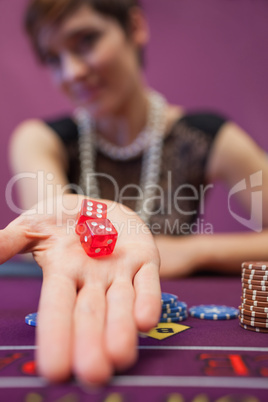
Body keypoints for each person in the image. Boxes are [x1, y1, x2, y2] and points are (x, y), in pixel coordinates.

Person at [4, 0, 268, 385]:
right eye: (54, 59)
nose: (72, 71)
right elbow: (51, 214)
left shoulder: (208, 136)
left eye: (85, 41)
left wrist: (194, 251)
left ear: (134, 26)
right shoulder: (38, 139)